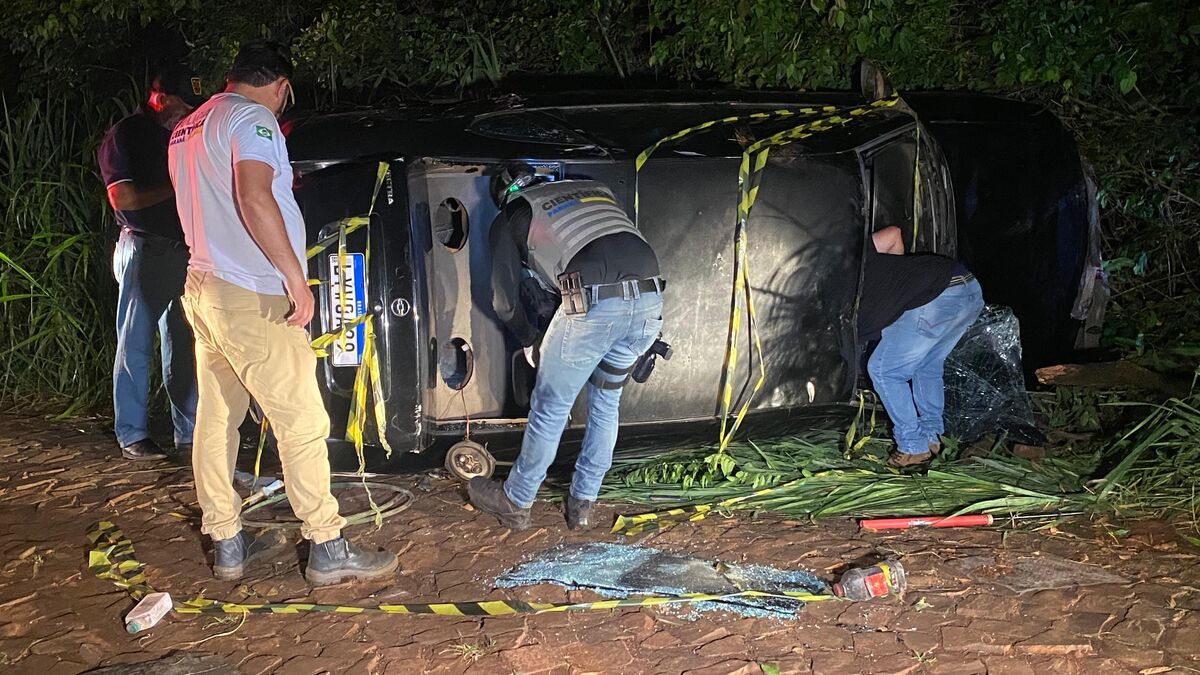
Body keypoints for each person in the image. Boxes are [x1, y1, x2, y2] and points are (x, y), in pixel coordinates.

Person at [168, 39, 397, 584]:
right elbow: (254, 196)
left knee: (217, 421)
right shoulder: (253, 120)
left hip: (204, 289)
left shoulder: (187, 128)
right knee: (301, 421)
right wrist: (297, 279)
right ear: (281, 87)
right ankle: (327, 545)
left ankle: (226, 541)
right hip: (252, 294)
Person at [468, 163, 665, 531]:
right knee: (606, 402)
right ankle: (583, 503)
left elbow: (503, 303)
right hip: (650, 301)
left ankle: (516, 500)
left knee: (550, 408)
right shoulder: (591, 188)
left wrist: (529, 340)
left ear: (501, 195)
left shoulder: (515, 213)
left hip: (593, 303)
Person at [98, 65, 203, 460]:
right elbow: (122, 199)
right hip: (144, 247)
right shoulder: (128, 134)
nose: (186, 112)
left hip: (183, 251)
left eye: (192, 105)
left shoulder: (182, 135)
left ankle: (189, 433)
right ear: (157, 97)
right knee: (136, 342)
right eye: (179, 104)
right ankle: (132, 434)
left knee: (183, 344)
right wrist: (175, 188)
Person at [859, 226, 984, 467]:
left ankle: (912, 447)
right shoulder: (849, 250)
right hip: (967, 288)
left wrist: (897, 293)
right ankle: (931, 438)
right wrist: (895, 285)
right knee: (926, 366)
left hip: (935, 297)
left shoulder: (830, 274)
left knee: (884, 371)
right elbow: (894, 234)